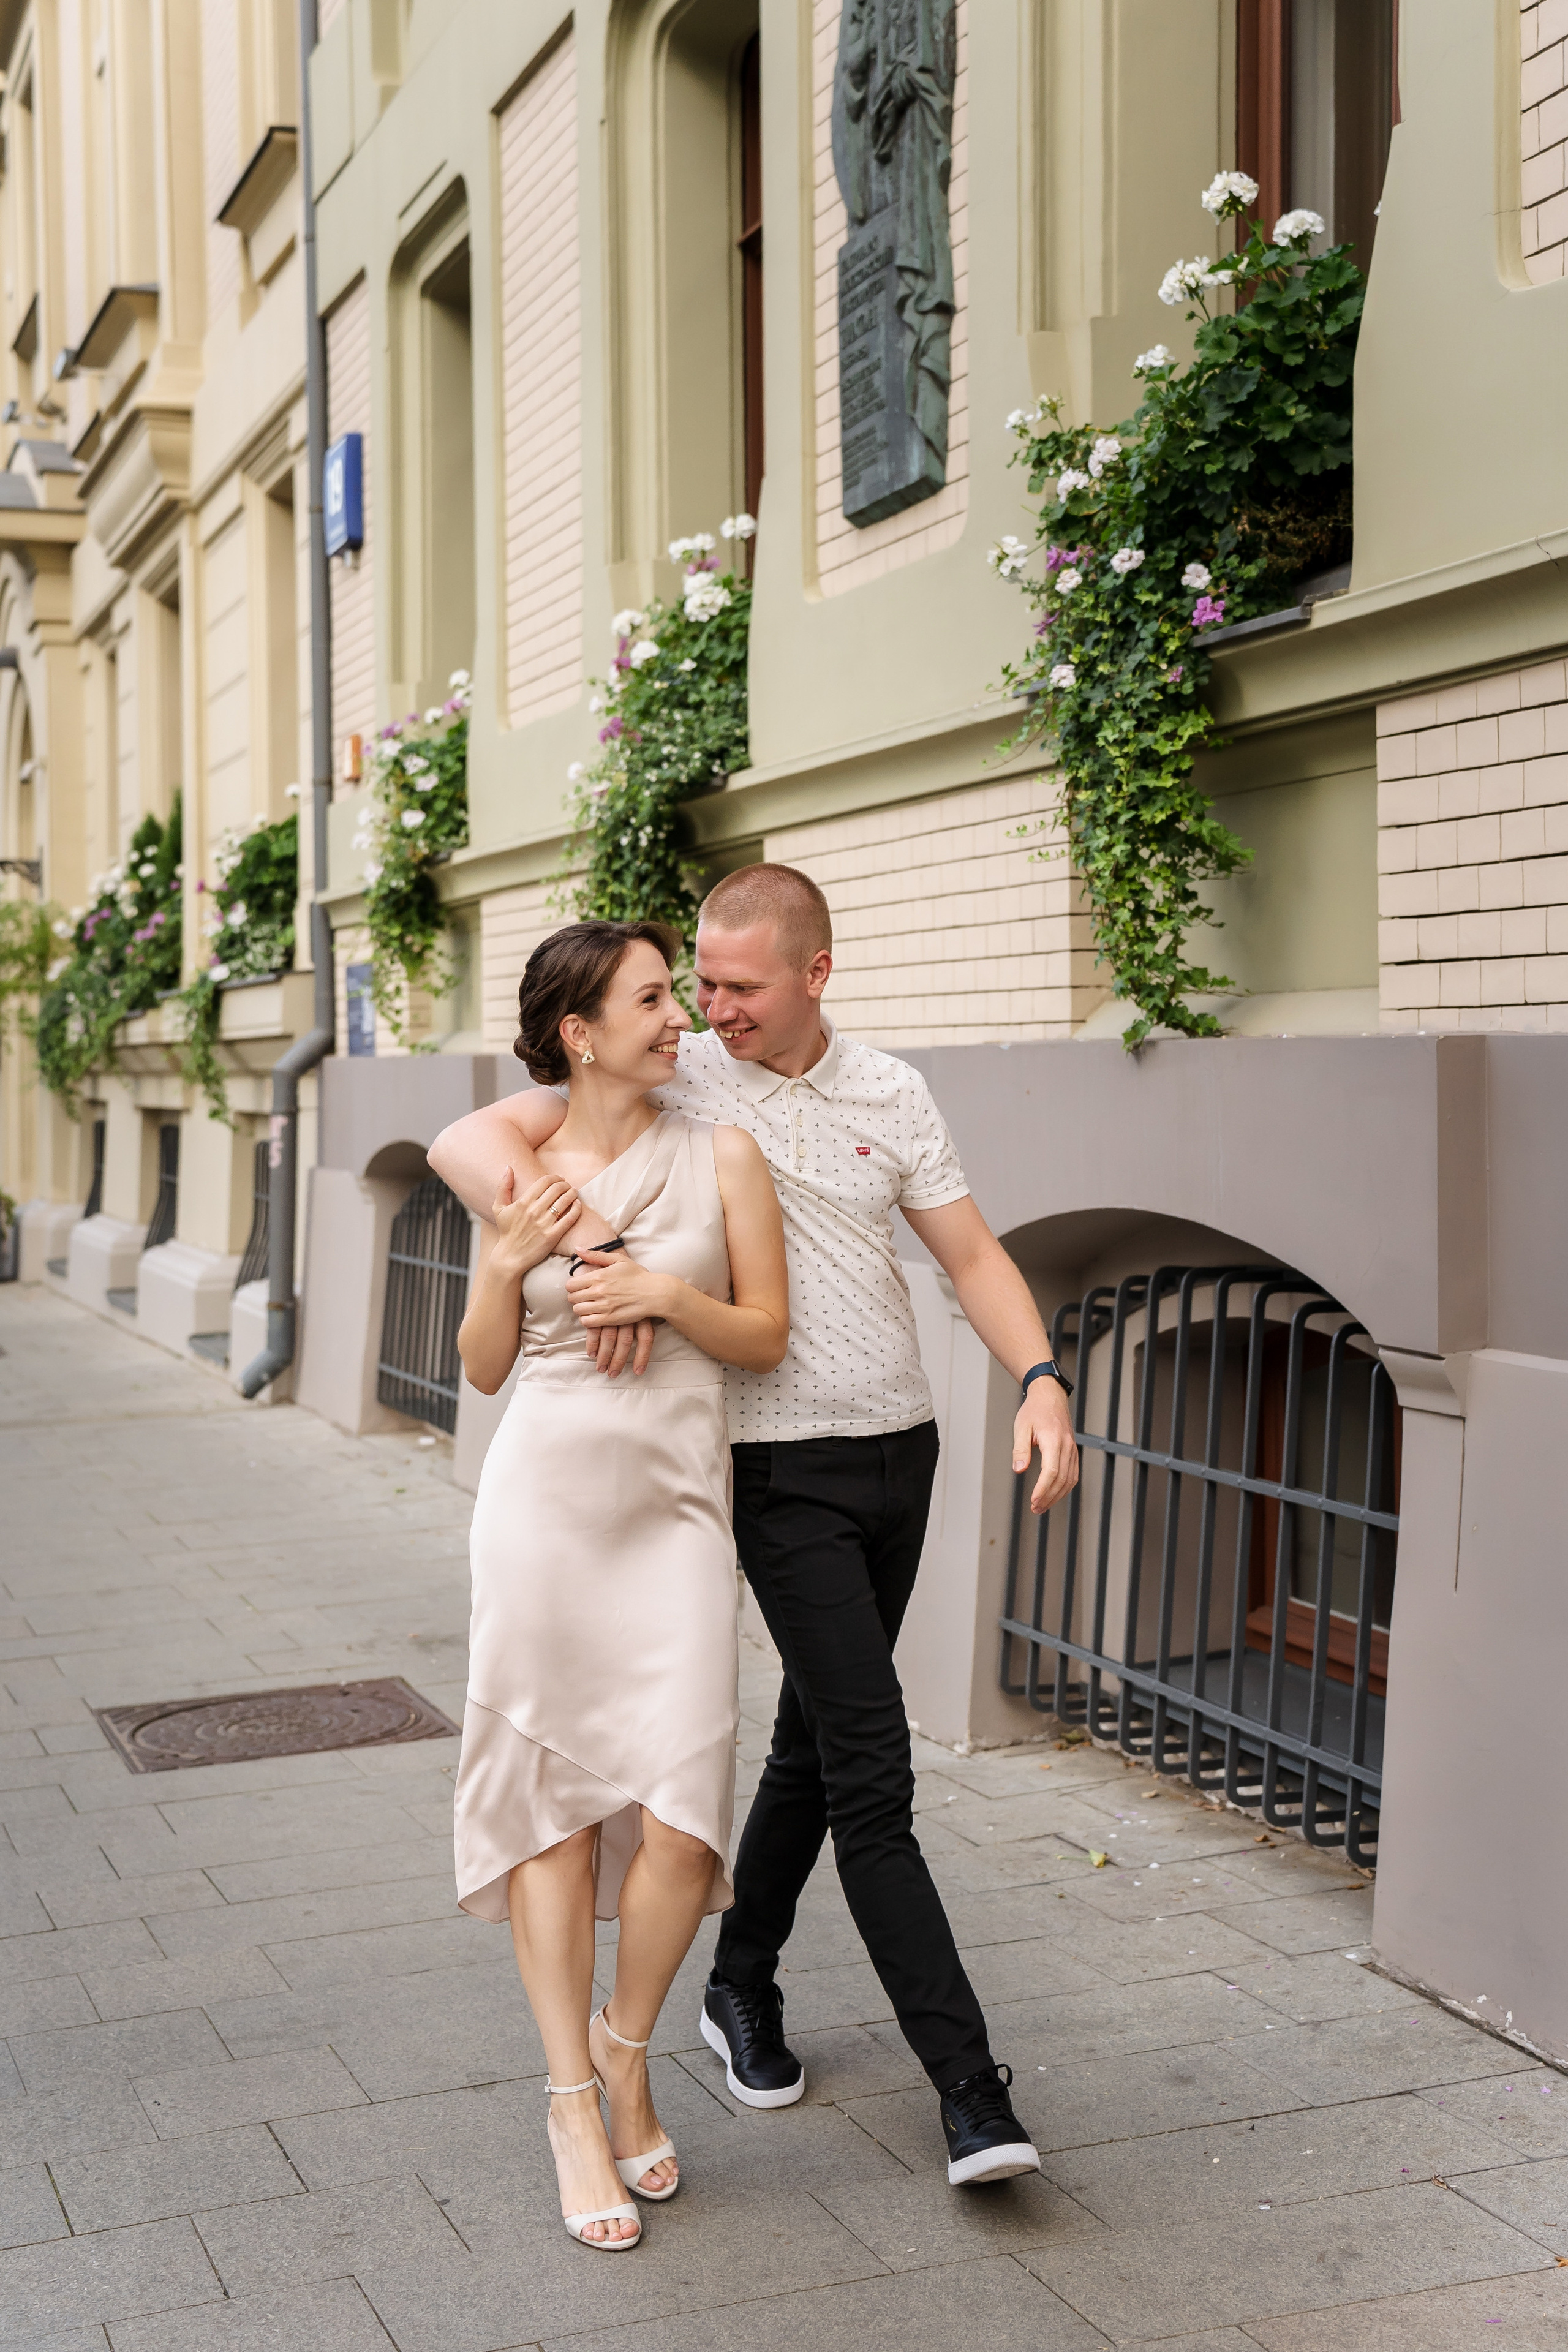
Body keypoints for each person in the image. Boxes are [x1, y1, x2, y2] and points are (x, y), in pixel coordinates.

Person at [431, 864, 1079, 2189]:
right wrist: (587, 1254)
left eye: (733, 986)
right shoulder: (681, 1078)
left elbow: (968, 1255)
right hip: (764, 1468)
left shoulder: (889, 1091)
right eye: (692, 987)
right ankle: (967, 2088)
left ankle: (737, 1979)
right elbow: (476, 1140)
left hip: (898, 1443)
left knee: (810, 1742)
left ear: (814, 976)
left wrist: (1042, 1379)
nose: (708, 1011)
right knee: (867, 1761)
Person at [452, 918, 786, 2252]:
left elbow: (762, 1337)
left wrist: (662, 1291)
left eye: (678, 997)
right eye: (653, 999)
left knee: (686, 1819)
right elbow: (483, 1368)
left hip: (674, 1516)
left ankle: (627, 2043)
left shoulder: (724, 1156)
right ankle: (570, 2102)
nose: (679, 1020)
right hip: (541, 1507)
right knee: (549, 1803)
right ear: (577, 1032)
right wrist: (495, 1267)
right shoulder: (520, 1174)